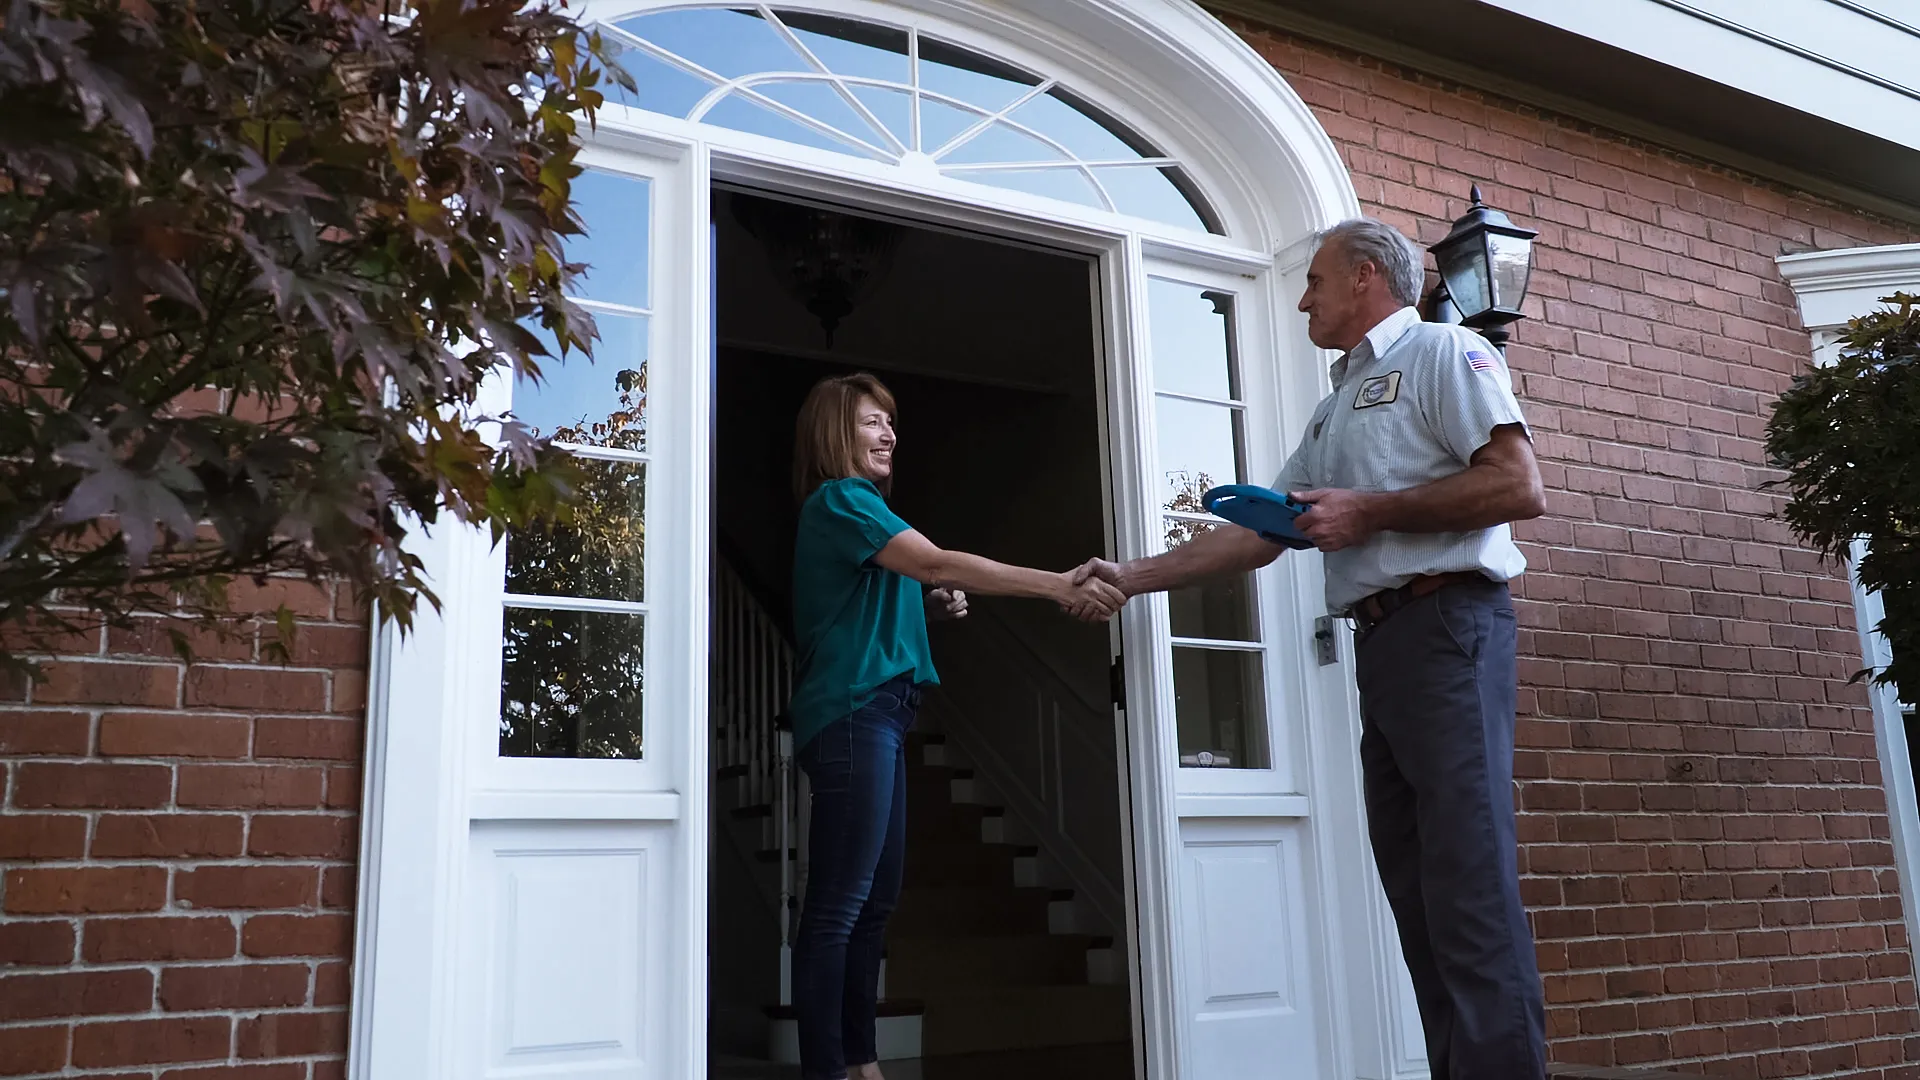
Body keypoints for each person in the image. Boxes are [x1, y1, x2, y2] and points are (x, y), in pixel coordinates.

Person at [1075, 219, 1549, 1079]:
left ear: (1366, 277)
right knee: (1416, 891)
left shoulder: (1446, 353)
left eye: (1317, 281)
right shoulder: (1335, 405)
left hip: (1452, 630)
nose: (1302, 297)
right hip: (1386, 646)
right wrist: (1133, 576)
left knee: (1467, 885)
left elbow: (1518, 485)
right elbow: (1261, 534)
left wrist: (1367, 511)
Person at [786, 372, 1123, 1080]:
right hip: (853, 714)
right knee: (839, 907)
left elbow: (875, 602)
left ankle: (861, 1063)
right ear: (832, 431)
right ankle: (828, 1069)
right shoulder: (842, 500)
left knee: (874, 902)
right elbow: (935, 560)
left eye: (891, 423)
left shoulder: (863, 515)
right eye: (872, 421)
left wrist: (927, 611)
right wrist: (1058, 584)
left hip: (881, 713)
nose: (889, 434)